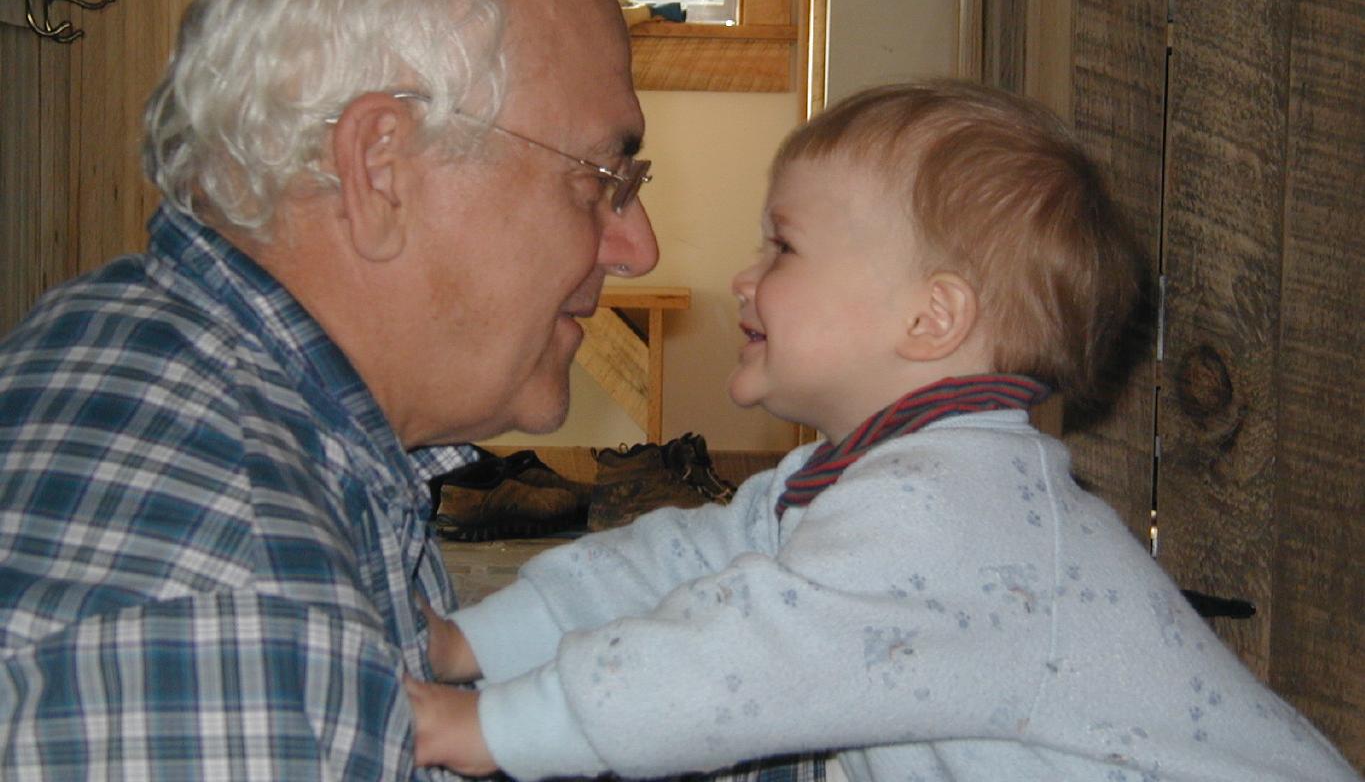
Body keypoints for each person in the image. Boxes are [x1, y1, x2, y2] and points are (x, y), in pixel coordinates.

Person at [406, 81, 1361, 782]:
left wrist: (496, 730)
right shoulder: (865, 478)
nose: (744, 276)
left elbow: (739, 662)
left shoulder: (953, 518)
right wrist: (477, 643)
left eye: (783, 245)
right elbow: (684, 563)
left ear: (930, 318)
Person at [0, 0, 658, 778]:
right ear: (381, 168)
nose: (636, 247)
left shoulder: (122, 329)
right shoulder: (246, 633)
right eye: (599, 177)